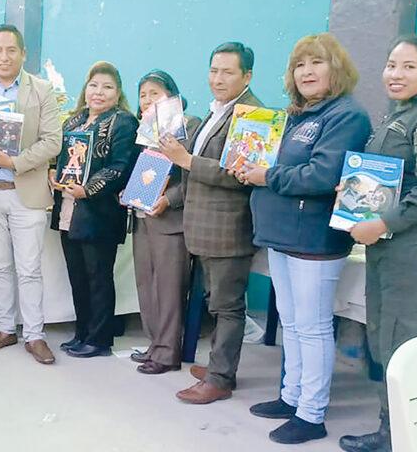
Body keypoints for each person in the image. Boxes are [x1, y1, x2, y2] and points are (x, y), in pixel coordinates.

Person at [233, 33, 371, 444]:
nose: (306, 72)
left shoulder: (346, 116)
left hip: (314, 239)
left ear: (336, 69)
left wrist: (267, 176)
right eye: (299, 65)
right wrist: (250, 167)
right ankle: (291, 396)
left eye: (316, 63)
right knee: (292, 323)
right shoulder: (295, 116)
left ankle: (311, 413)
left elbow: (323, 176)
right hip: (281, 235)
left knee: (313, 327)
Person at [338, 34, 417, 452]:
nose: (395, 74)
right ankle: (392, 431)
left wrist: (380, 223)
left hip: (415, 255)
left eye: (409, 66)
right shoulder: (403, 113)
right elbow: (391, 180)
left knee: (405, 347)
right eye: (391, 65)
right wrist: (355, 192)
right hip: (390, 251)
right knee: (386, 343)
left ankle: (404, 438)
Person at [158, 41, 262, 404]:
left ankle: (220, 378)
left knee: (227, 306)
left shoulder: (254, 115)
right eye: (214, 71)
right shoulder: (217, 110)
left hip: (228, 228)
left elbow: (241, 174)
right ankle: (220, 365)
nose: (218, 79)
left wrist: (185, 159)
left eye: (228, 72)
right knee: (215, 300)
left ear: (247, 76)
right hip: (203, 226)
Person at [0, 24, 62, 365]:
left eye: (11, 50)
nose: (3, 57)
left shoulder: (41, 90)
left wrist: (14, 162)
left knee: (29, 268)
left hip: (25, 192)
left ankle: (34, 335)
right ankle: (5, 329)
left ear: (23, 54)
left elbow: (53, 141)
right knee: (0, 266)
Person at [48, 61, 140, 358]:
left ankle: (99, 339)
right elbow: (59, 157)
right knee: (77, 276)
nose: (99, 92)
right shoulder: (73, 121)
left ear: (118, 92)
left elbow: (121, 166)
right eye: (94, 85)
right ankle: (82, 333)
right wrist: (52, 173)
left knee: (98, 277)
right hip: (68, 210)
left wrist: (88, 189)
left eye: (107, 87)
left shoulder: (123, 122)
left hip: (99, 213)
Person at [129, 70, 200, 376]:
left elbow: (192, 177)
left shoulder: (190, 126)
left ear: (172, 95)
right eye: (143, 95)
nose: (147, 100)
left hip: (170, 220)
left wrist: (169, 200)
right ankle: (155, 344)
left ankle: (169, 351)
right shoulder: (143, 131)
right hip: (142, 217)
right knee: (146, 284)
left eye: (154, 93)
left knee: (169, 288)